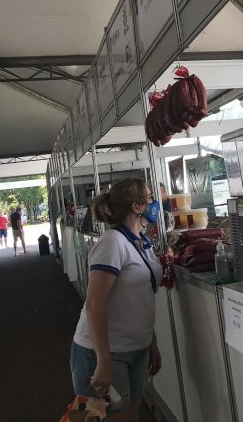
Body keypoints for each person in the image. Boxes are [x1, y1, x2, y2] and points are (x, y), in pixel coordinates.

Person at [70, 178, 162, 419]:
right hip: (105, 354)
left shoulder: (140, 242)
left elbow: (141, 297)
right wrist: (103, 360)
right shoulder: (112, 242)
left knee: (129, 416)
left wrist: (150, 341)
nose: (155, 203)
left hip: (136, 349)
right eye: (150, 198)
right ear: (137, 206)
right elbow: (94, 304)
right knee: (103, 417)